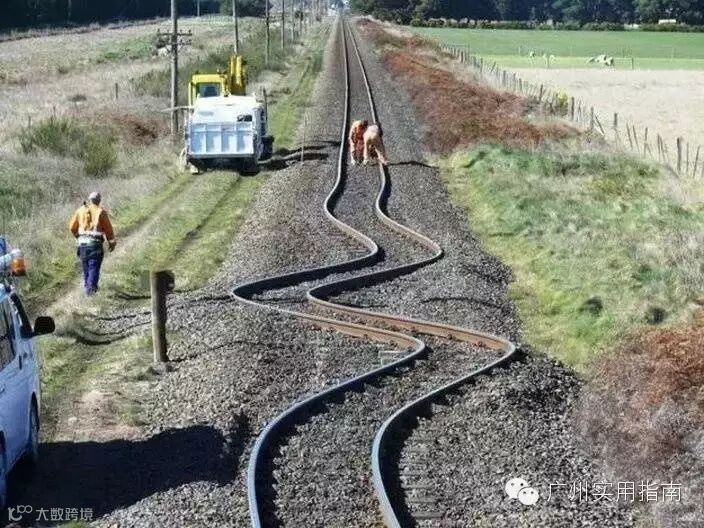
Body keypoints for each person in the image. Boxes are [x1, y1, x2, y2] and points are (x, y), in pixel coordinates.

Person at [69, 192, 116, 296]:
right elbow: (108, 230)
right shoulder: (101, 212)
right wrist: (112, 242)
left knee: (86, 268)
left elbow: (72, 227)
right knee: (93, 267)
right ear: (99, 200)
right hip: (95, 245)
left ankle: (88, 289)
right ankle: (90, 292)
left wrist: (78, 236)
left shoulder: (80, 210)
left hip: (82, 245)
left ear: (89, 200)